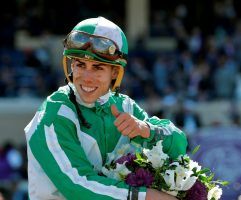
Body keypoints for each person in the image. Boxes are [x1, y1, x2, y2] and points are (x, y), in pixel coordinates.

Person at [24, 16, 188, 200]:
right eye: (80, 64)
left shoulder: (124, 106)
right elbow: (78, 187)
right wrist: (148, 197)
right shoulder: (53, 114)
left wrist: (146, 130)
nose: (86, 77)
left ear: (115, 72)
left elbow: (179, 145)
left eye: (98, 68)